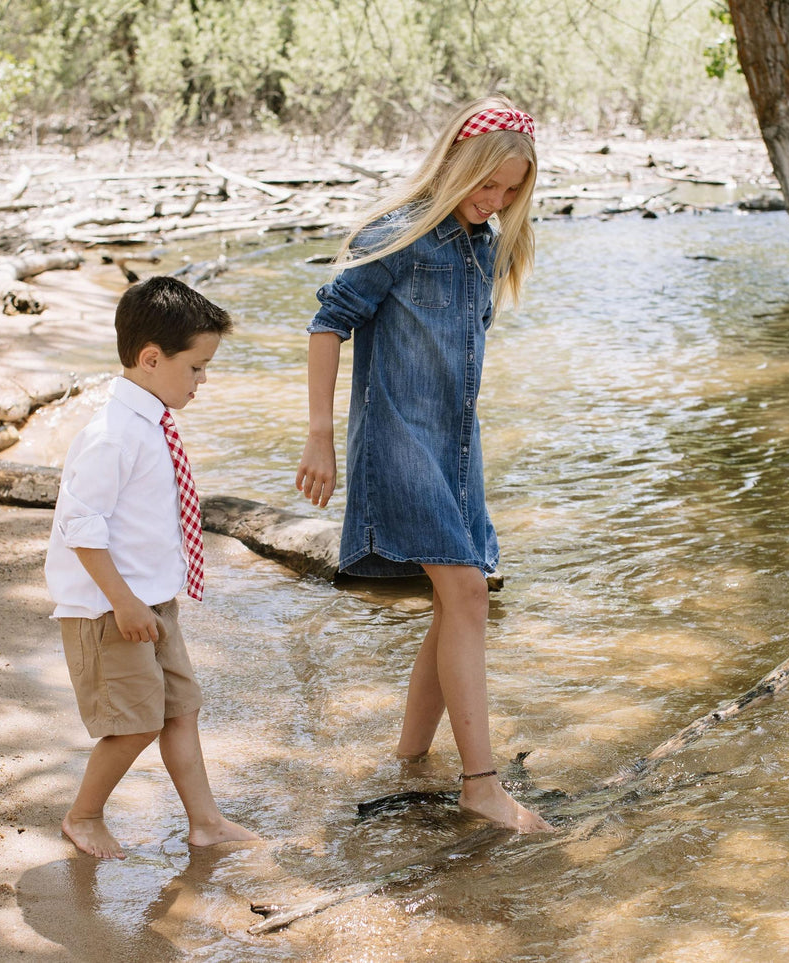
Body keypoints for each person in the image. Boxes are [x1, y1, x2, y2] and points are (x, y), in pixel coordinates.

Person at [294, 96, 554, 833]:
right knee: (467, 593)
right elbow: (327, 324)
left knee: (455, 602)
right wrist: (320, 436)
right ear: (454, 166)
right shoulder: (399, 235)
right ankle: (481, 785)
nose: (495, 200)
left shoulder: (485, 244)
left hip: (457, 447)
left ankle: (410, 759)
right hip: (398, 441)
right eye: (486, 184)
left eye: (510, 190)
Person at [46, 276, 259, 859]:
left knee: (181, 710)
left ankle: (206, 822)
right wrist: (124, 602)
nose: (202, 380)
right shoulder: (112, 435)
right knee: (135, 722)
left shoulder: (149, 423)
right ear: (150, 359)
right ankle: (83, 815)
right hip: (108, 608)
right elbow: (81, 528)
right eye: (196, 367)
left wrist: (152, 599)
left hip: (152, 600)